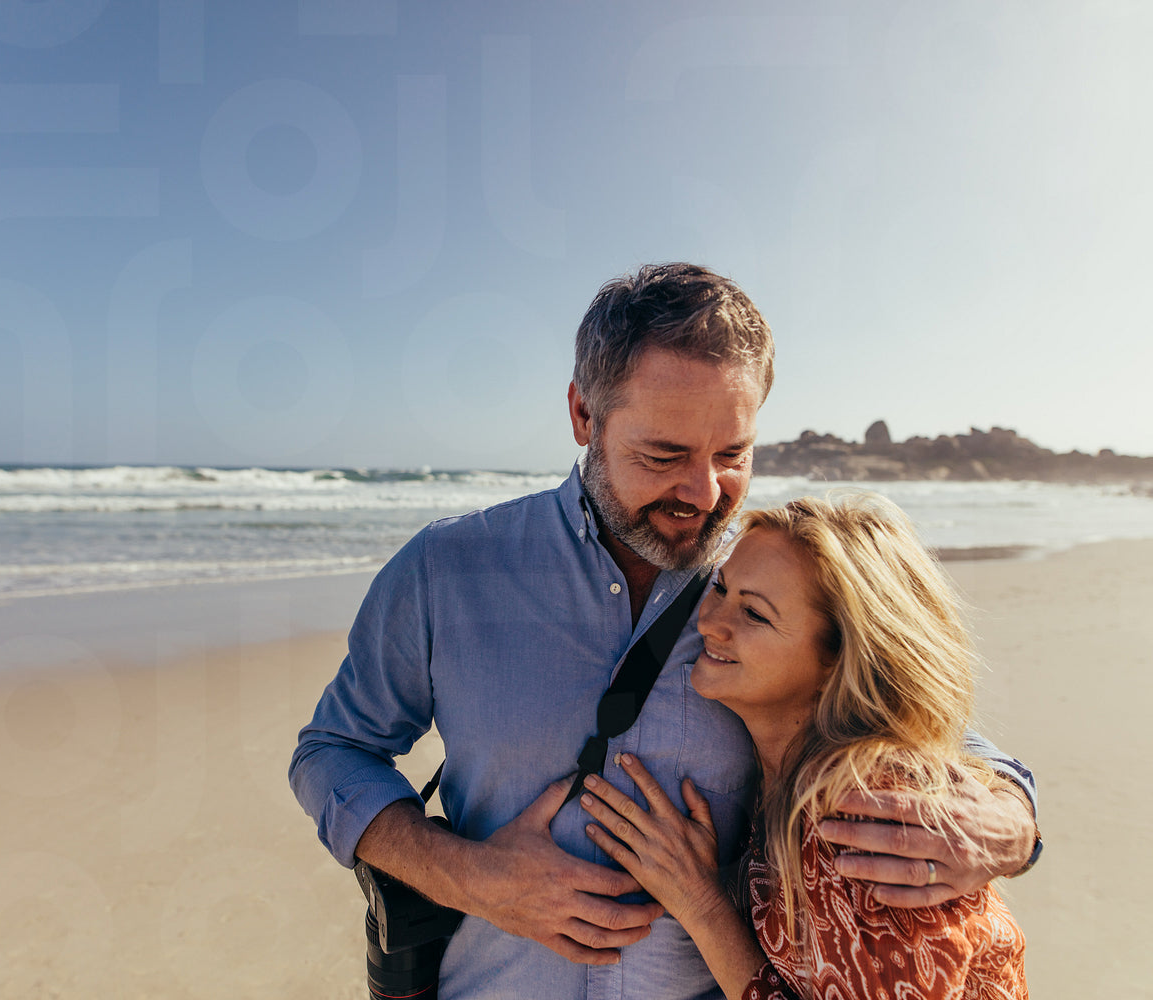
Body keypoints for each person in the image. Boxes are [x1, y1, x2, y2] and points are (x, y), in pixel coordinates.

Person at [290, 263, 1038, 1000]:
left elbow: (913, 724)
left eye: (732, 455)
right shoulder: (447, 569)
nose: (704, 493)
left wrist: (1011, 824)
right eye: (665, 455)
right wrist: (472, 877)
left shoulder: (767, 585)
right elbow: (333, 750)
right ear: (584, 415)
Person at [579, 493, 1028, 999]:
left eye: (754, 614)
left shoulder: (866, 806)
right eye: (720, 588)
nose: (709, 623)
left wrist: (701, 904)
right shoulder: (786, 771)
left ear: (839, 657)